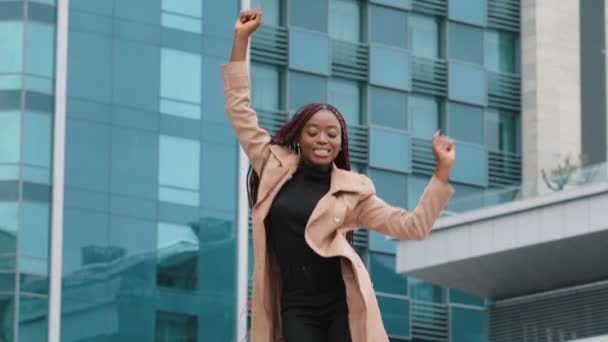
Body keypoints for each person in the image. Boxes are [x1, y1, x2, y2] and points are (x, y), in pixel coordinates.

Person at [222, 7, 455, 342]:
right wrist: (241, 39)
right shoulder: (273, 164)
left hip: (339, 305)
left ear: (341, 142)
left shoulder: (353, 192)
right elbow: (238, 109)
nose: (323, 140)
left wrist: (441, 172)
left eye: (332, 134)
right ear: (298, 136)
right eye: (313, 132)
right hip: (294, 304)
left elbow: (412, 226)